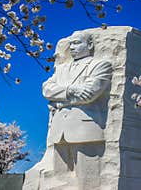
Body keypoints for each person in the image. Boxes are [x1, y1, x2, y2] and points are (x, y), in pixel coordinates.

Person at [42, 31, 112, 189]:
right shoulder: (61, 69)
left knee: (88, 182)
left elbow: (90, 94)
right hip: (59, 130)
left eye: (77, 43)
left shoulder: (100, 65)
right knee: (58, 181)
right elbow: (46, 90)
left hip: (85, 128)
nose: (72, 47)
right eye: (71, 44)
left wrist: (59, 100)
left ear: (90, 45)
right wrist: (71, 90)